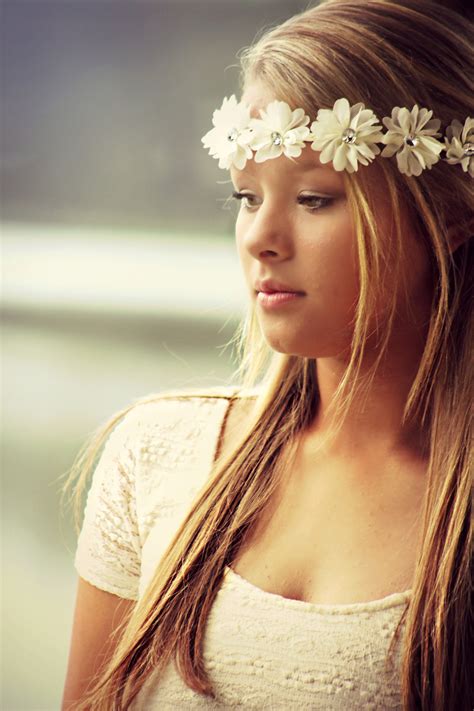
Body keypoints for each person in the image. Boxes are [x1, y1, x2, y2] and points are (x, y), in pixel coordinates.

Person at [61, 0, 473, 708]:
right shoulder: (155, 455)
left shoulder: (456, 518)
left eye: (314, 198)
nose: (260, 238)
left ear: (450, 215)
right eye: (246, 196)